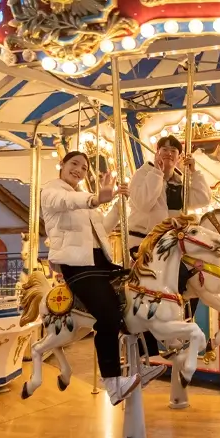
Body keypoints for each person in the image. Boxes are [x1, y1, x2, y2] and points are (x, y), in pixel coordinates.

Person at [41, 151, 164, 408]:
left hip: (102, 263)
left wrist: (119, 203)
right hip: (78, 267)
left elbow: (104, 229)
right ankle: (112, 382)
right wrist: (96, 198)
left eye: (84, 168)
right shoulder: (51, 191)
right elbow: (68, 201)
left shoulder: (82, 203)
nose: (79, 169)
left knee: (142, 292)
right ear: (62, 165)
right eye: (74, 164)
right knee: (108, 317)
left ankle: (149, 360)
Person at [128, 136, 212, 357]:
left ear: (179, 156)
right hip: (144, 241)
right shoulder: (143, 173)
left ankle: (182, 325)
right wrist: (157, 173)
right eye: (164, 149)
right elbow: (143, 202)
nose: (168, 153)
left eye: (173, 150)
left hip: (170, 246)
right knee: (147, 289)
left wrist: (195, 173)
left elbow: (202, 199)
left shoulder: (178, 181)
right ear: (156, 152)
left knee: (192, 279)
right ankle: (153, 345)